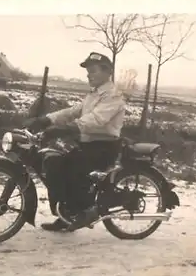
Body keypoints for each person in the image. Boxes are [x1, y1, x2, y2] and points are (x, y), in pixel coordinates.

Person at [25, 52, 127, 232]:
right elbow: (73, 111)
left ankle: (84, 211)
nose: (89, 74)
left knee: (73, 170)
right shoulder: (94, 94)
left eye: (93, 70)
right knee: (53, 165)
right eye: (88, 71)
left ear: (107, 72)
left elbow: (96, 120)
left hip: (104, 147)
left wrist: (66, 129)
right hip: (88, 144)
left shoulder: (113, 95)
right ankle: (65, 214)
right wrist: (46, 120)